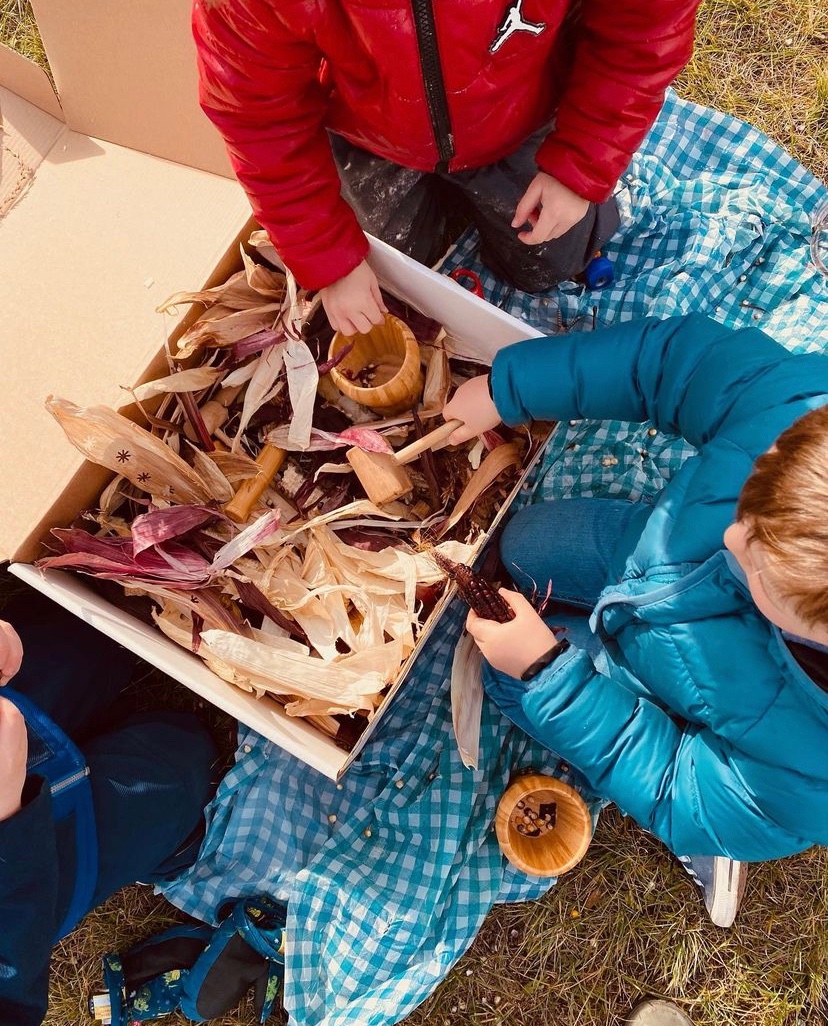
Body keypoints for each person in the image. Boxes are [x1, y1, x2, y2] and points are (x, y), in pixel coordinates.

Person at [442, 313, 828, 928]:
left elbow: (674, 784)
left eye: (759, 570)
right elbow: (670, 363)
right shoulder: (802, 407)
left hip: (689, 692)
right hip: (649, 562)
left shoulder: (809, 778)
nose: (730, 534)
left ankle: (713, 843)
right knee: (520, 545)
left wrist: (547, 673)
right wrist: (509, 390)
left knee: (507, 682)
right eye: (752, 493)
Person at [192, 0, 700, 334]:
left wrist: (582, 162)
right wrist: (328, 258)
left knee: (551, 262)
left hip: (519, 109)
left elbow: (644, 29)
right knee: (401, 282)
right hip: (372, 131)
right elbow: (257, 114)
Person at [0, 586, 219, 1026]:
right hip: (22, 885)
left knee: (100, 614)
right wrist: (9, 820)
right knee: (181, 763)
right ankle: (172, 847)